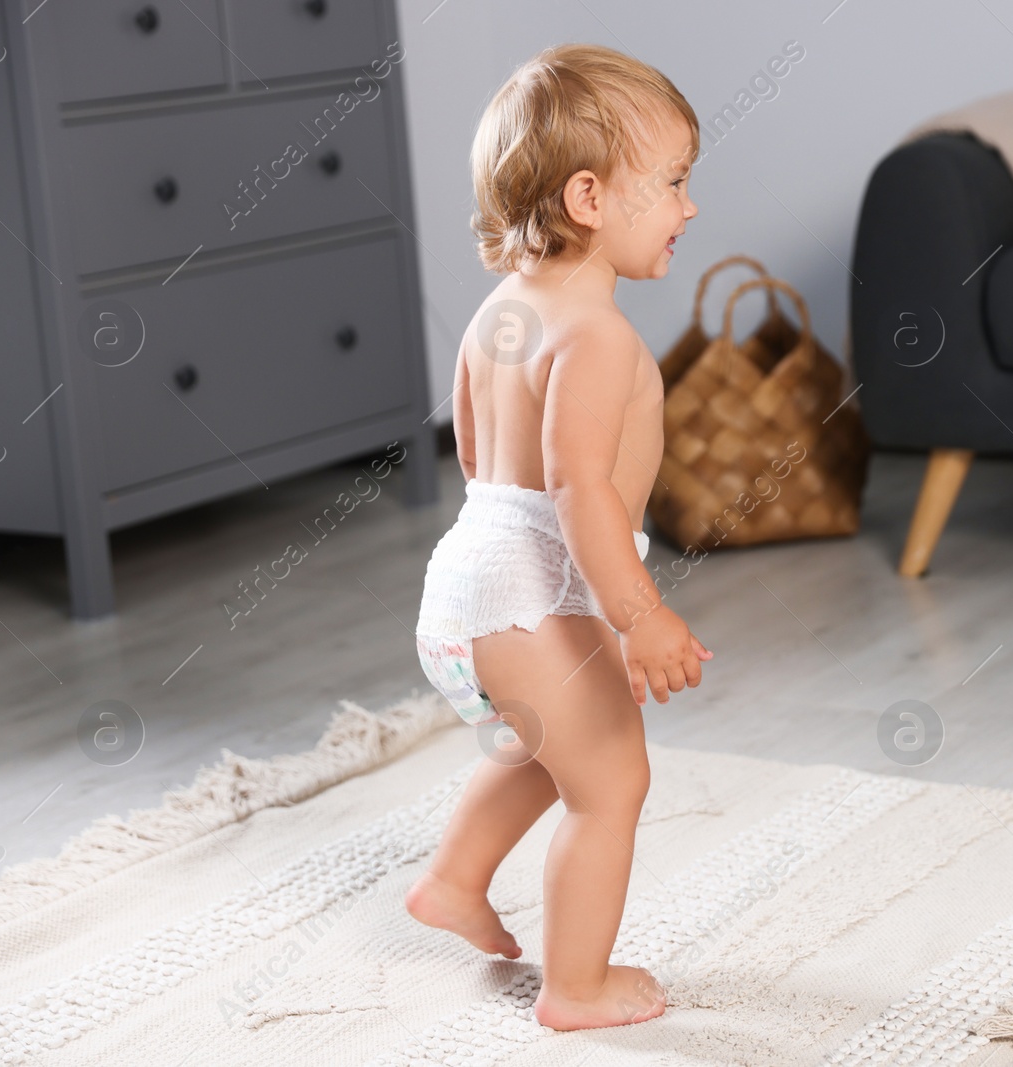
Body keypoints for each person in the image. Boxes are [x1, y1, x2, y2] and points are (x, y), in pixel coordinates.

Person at [405, 43, 713, 1031]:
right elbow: (581, 492)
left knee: (550, 750)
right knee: (612, 778)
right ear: (588, 197)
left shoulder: (499, 314)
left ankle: (455, 877)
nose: (687, 206)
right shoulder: (598, 336)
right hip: (529, 592)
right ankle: (575, 986)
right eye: (670, 183)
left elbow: (479, 461)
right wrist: (640, 612)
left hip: (470, 580)